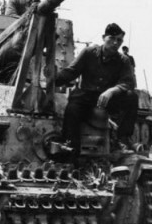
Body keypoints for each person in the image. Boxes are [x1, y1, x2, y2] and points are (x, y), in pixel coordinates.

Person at [56, 23, 138, 155]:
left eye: (119, 40)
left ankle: (122, 139)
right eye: (111, 38)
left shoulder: (123, 60)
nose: (115, 43)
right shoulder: (89, 53)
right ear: (103, 37)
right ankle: (71, 149)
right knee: (72, 108)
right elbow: (71, 72)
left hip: (108, 99)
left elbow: (128, 82)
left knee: (131, 97)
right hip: (87, 96)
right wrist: (51, 80)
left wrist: (111, 91)